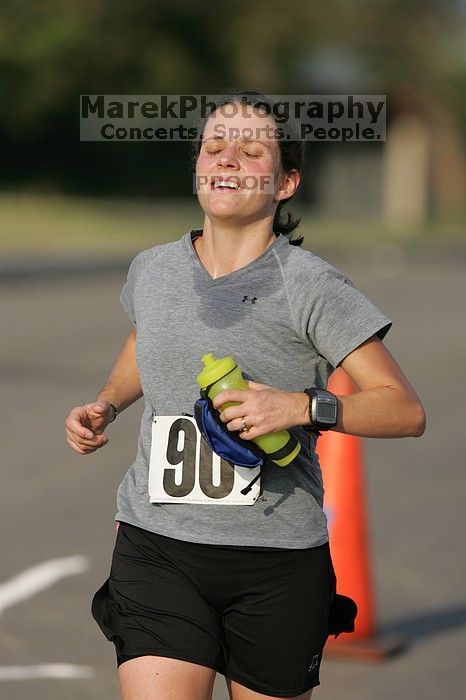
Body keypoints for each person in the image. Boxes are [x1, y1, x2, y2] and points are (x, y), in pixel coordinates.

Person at [65, 91, 426, 700]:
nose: (227, 158)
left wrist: (302, 406)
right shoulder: (153, 270)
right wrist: (106, 402)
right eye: (214, 146)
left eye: (250, 149)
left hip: (275, 559)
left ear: (286, 182)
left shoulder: (313, 287)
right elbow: (147, 340)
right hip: (159, 546)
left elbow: (405, 409)